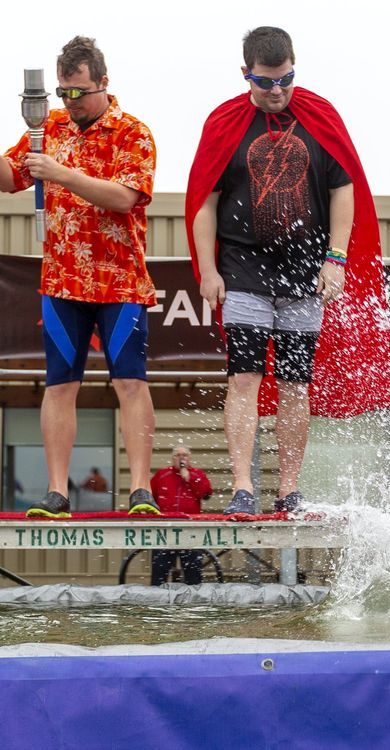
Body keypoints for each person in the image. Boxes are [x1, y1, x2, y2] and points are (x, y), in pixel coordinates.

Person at [185, 26, 390, 515]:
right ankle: (242, 486)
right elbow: (204, 200)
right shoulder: (224, 124)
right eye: (265, 82)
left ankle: (288, 488)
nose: (277, 90)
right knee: (243, 378)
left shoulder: (319, 116)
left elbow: (342, 187)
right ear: (246, 74)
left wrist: (337, 258)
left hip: (304, 272)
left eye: (286, 79)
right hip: (241, 268)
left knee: (295, 382)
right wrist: (206, 269)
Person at [0, 36, 159, 518]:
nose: (70, 103)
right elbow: (10, 177)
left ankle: (141, 490)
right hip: (62, 281)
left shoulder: (133, 132)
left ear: (104, 83)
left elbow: (125, 197)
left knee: (129, 382)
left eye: (79, 92)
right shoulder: (46, 128)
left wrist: (61, 173)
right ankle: (56, 492)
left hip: (121, 282)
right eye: (63, 92)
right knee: (59, 383)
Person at [150, 445, 213, 585]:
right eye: (177, 455)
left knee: (193, 573)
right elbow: (151, 497)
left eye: (184, 455)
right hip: (165, 530)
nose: (181, 458)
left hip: (189, 530)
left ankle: (193, 601)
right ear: (172, 458)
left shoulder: (197, 474)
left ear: (189, 458)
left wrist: (190, 478)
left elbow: (206, 493)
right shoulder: (162, 475)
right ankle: (157, 600)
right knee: (159, 572)